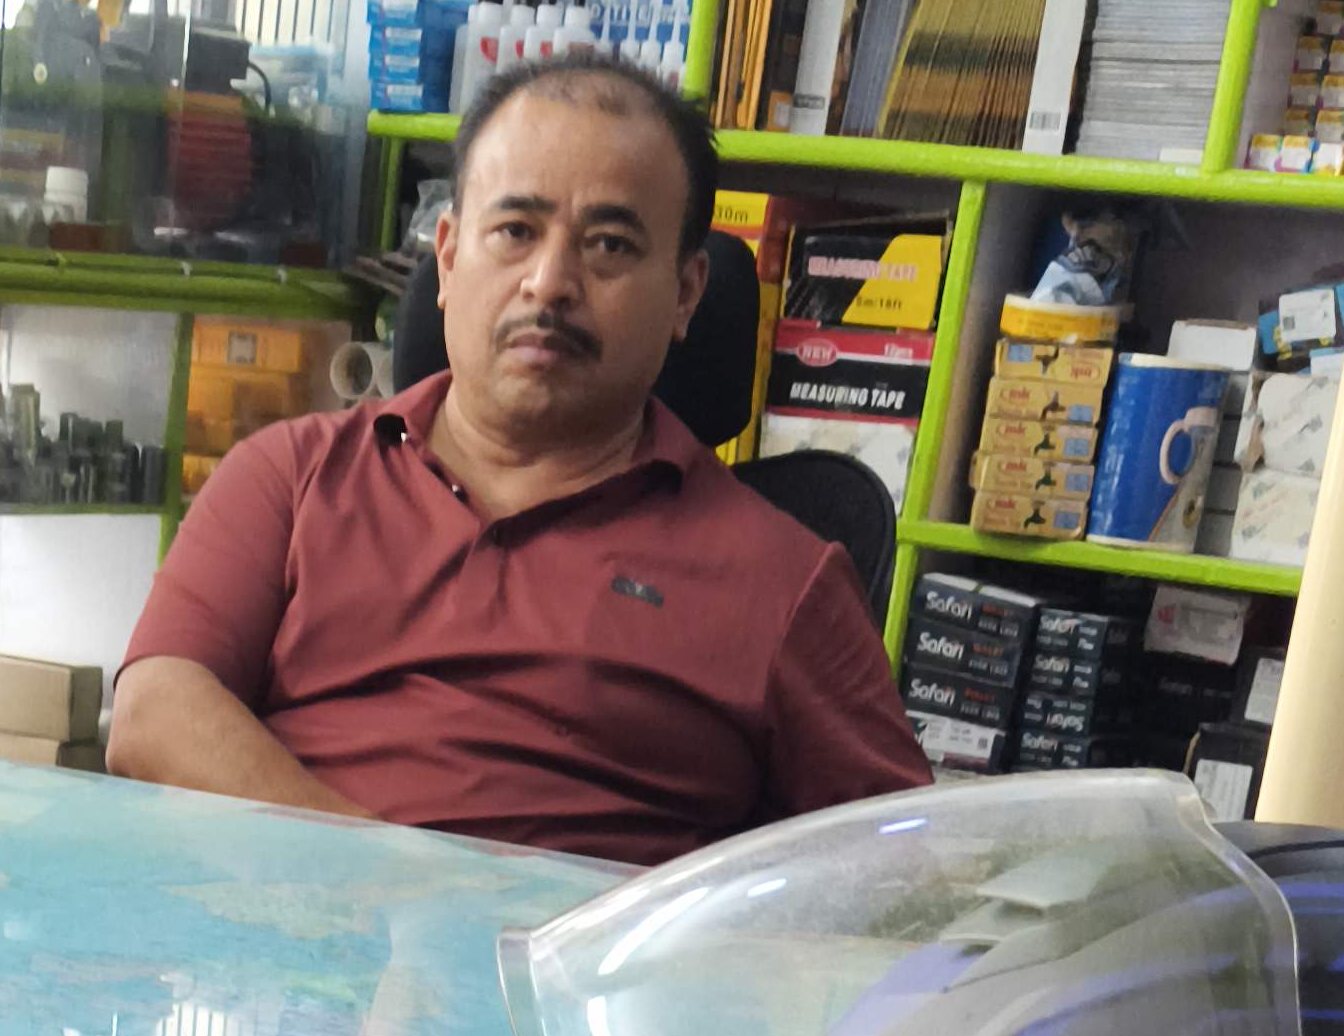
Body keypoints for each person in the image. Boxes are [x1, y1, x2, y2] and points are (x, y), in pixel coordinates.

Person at [108, 54, 926, 861]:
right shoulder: (291, 476)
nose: (550, 282)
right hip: (279, 929)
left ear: (684, 293)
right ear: (448, 258)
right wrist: (384, 880)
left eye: (609, 246)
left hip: (575, 948)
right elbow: (152, 713)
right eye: (515, 232)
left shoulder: (782, 580)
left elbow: (906, 870)